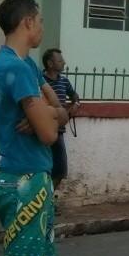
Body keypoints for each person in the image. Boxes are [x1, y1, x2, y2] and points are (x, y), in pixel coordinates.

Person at [0, 0, 68, 256]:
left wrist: (47, 114)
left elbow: (60, 110)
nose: (42, 28)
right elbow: (48, 135)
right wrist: (50, 116)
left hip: (28, 175)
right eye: (40, 22)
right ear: (27, 22)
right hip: (26, 179)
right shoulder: (16, 68)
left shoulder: (23, 64)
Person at [41, 48, 80, 192]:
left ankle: (47, 200)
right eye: (60, 60)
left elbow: (75, 95)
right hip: (42, 132)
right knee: (42, 170)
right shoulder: (40, 81)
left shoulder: (64, 81)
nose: (64, 63)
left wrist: (75, 105)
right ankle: (44, 202)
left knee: (61, 170)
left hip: (59, 133)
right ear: (50, 63)